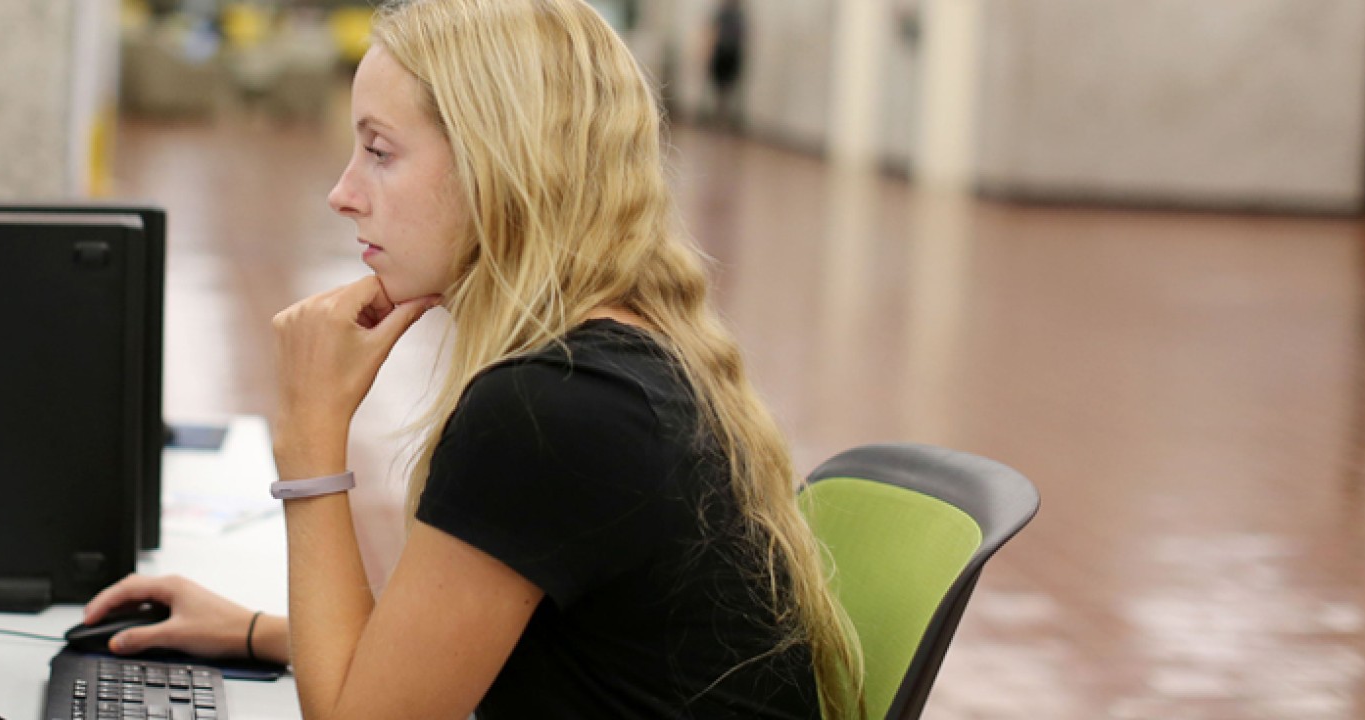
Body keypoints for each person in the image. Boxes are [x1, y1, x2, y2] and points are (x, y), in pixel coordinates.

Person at [83, 0, 864, 717]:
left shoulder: (553, 407)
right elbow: (510, 643)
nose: (343, 193)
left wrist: (312, 431)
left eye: (379, 152)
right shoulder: (621, 357)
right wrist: (259, 630)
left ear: (500, 165)